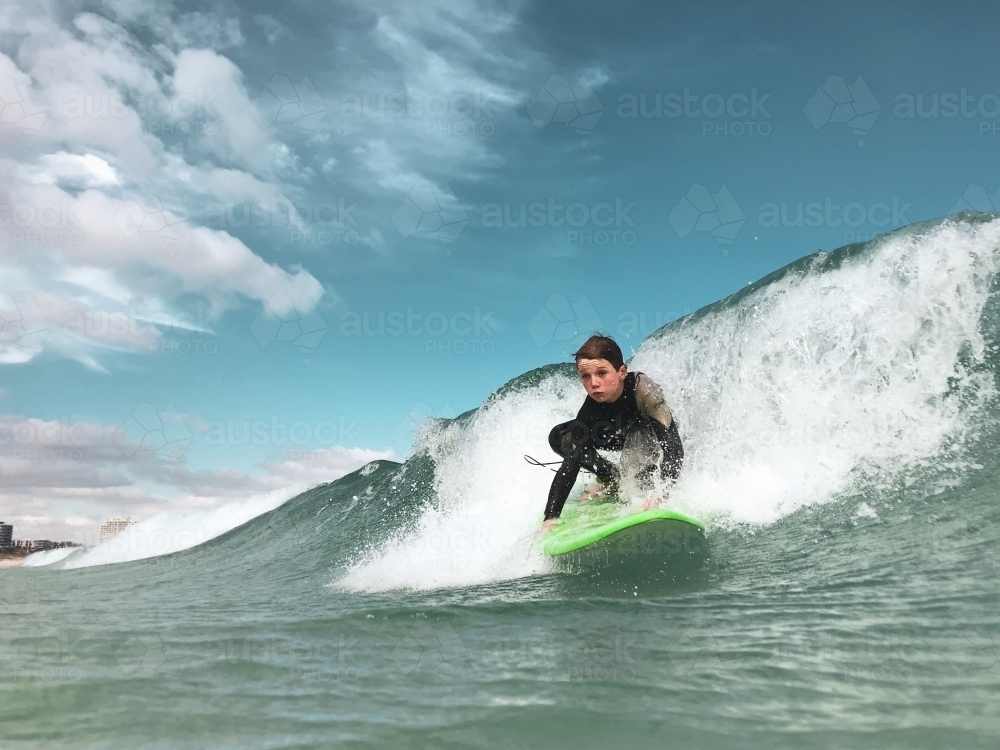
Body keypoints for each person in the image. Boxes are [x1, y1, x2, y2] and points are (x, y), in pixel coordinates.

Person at [540, 334, 683, 532]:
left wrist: (661, 494)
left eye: (602, 373)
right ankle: (610, 478)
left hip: (650, 436)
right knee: (560, 436)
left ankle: (627, 480)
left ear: (622, 372)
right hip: (617, 435)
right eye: (585, 376)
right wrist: (551, 517)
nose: (594, 383)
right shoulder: (588, 412)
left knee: (644, 477)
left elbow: (673, 447)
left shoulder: (644, 390)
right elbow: (570, 464)